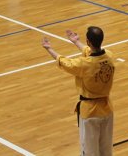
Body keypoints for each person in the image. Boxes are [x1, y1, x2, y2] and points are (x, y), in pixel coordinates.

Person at [42, 27, 115, 156]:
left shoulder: (84, 64)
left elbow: (65, 62)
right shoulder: (110, 56)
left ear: (88, 41)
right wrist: (76, 42)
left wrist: (49, 49)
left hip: (90, 113)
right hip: (107, 110)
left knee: (89, 152)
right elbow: (91, 52)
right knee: (106, 150)